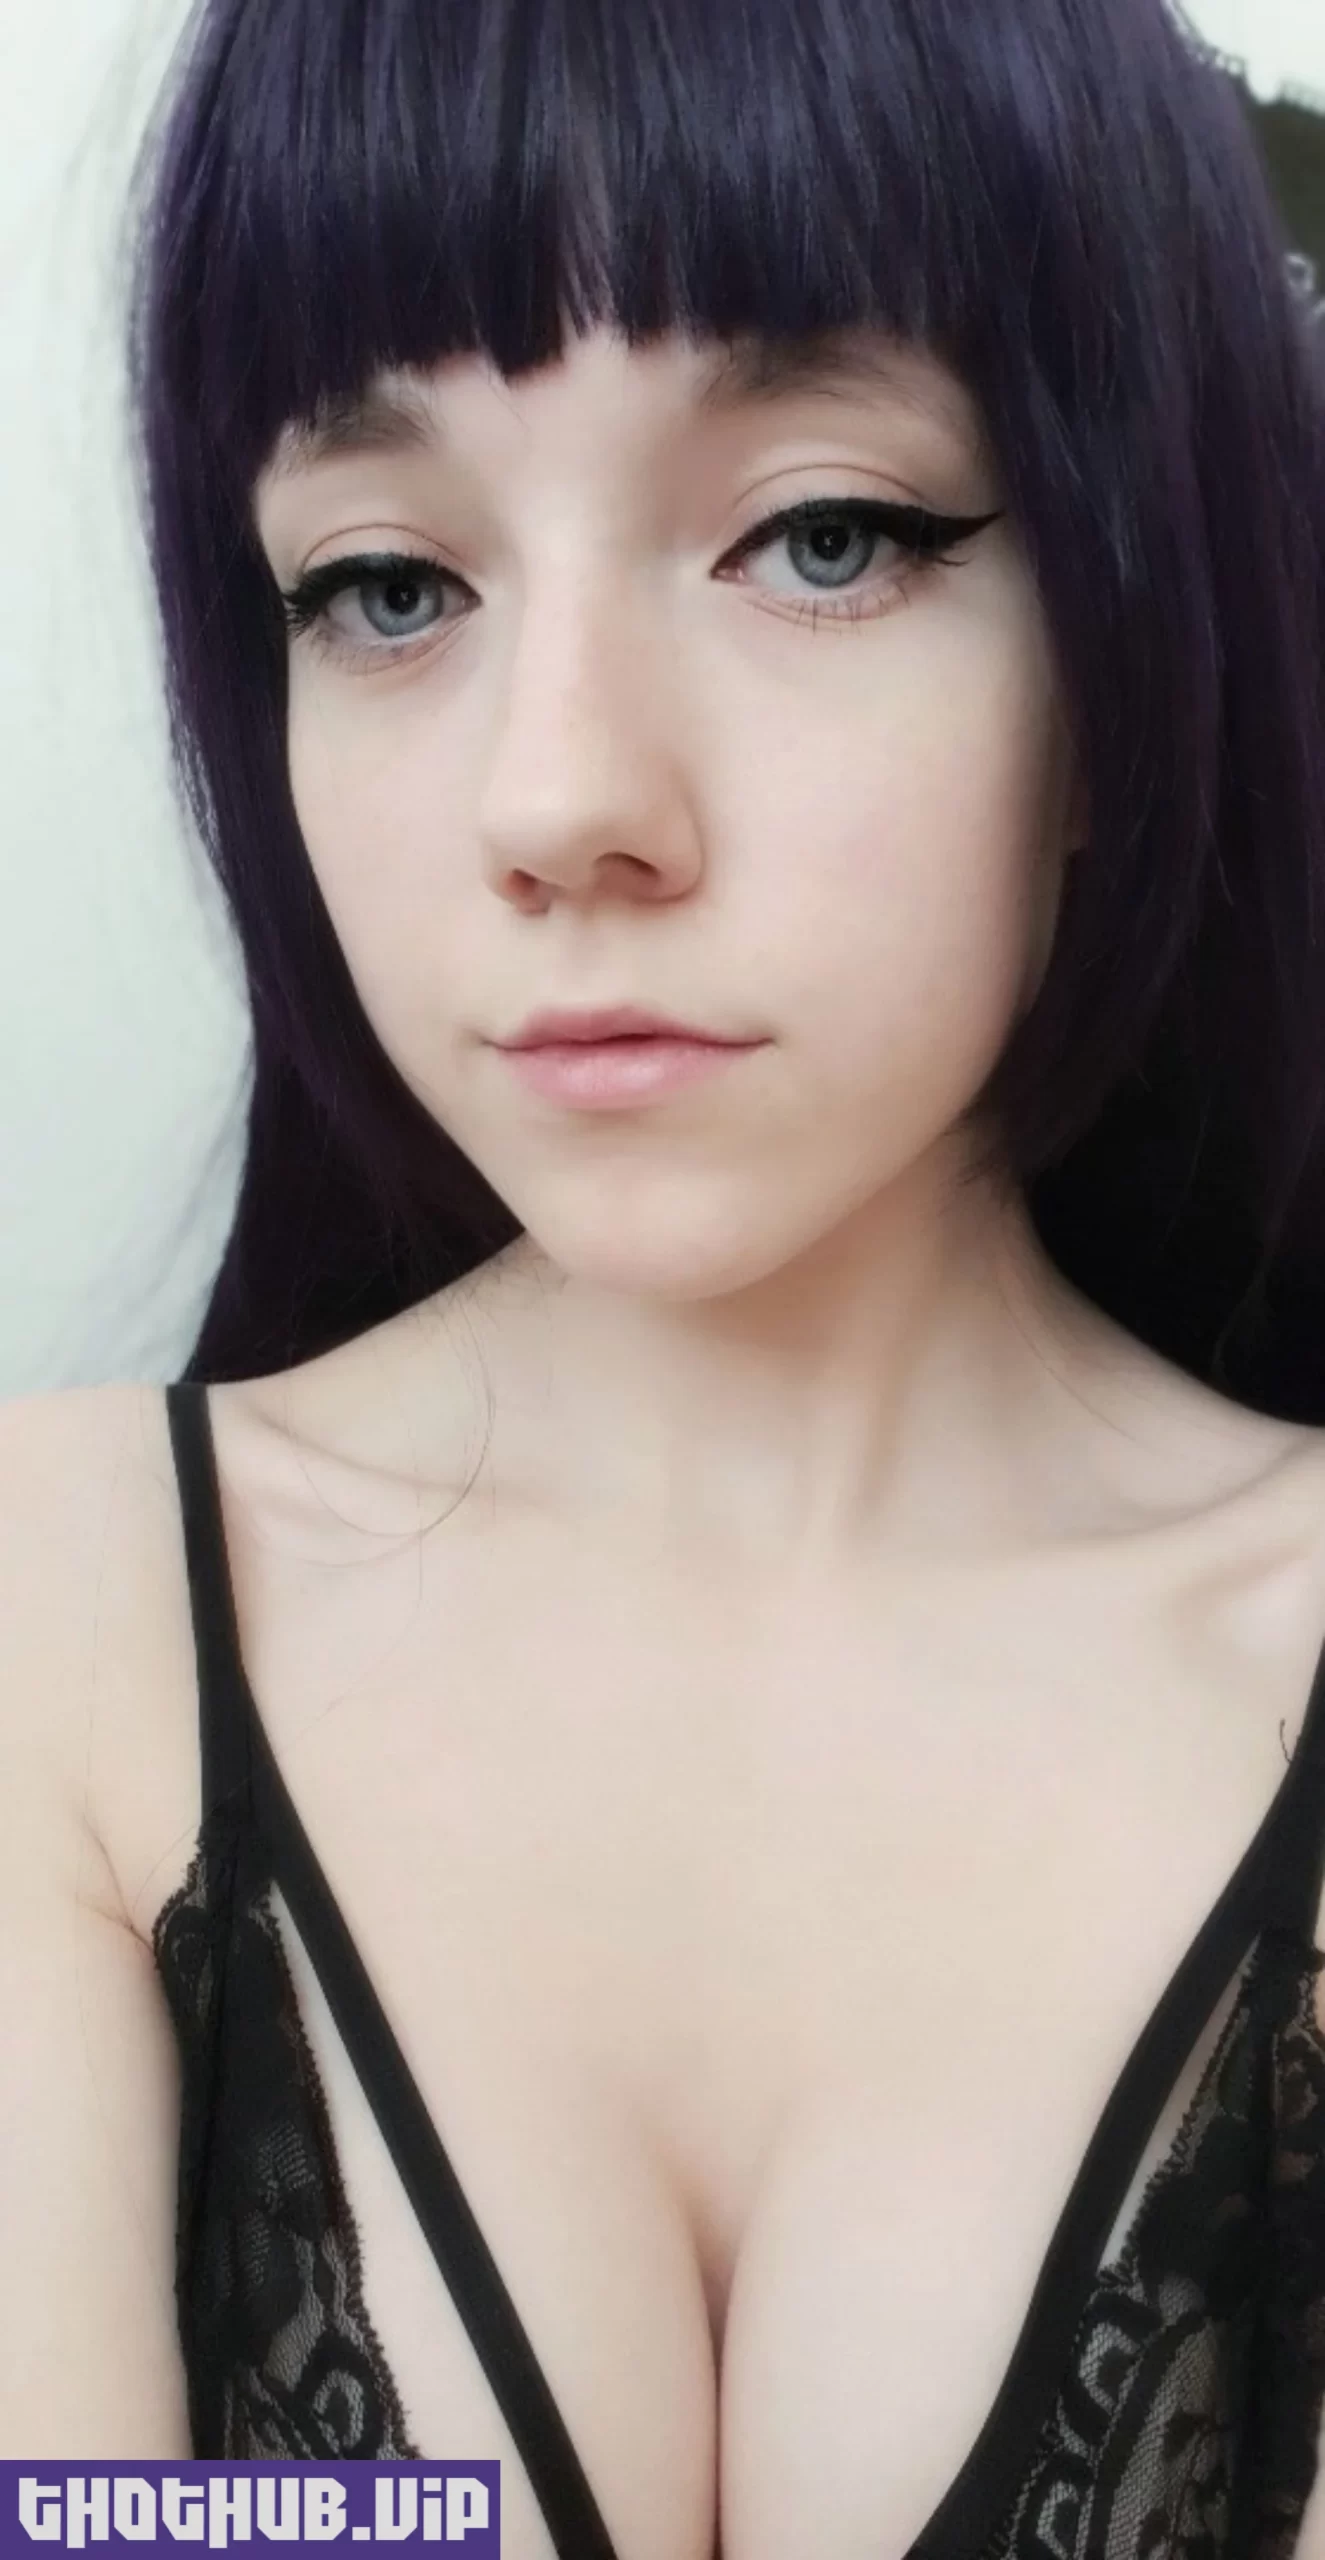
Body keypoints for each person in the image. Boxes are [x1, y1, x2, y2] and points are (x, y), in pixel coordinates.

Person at [4, 0, 1325, 2548]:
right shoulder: (62, 1624)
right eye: (386, 581)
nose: (557, 795)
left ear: (1130, 609)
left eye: (819, 536)